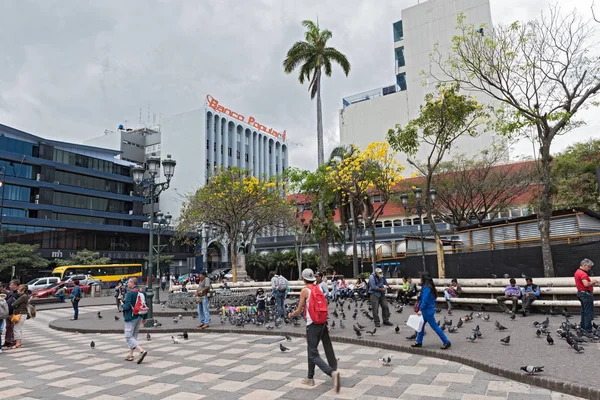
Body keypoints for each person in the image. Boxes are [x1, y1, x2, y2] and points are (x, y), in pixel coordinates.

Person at [287, 268, 340, 392]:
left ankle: (332, 373)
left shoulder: (305, 291)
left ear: (303, 278)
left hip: (312, 325)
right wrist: (326, 323)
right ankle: (310, 378)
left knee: (313, 354)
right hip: (322, 323)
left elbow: (299, 310)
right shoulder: (319, 288)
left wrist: (291, 314)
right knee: (311, 351)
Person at [412, 272, 451, 350]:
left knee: (434, 327)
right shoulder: (430, 287)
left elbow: (425, 300)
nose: (420, 279)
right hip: (429, 309)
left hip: (426, 311)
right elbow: (429, 299)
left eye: (421, 278)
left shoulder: (426, 287)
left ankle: (446, 341)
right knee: (421, 326)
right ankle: (418, 341)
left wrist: (420, 310)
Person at [121, 278, 148, 364]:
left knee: (128, 336)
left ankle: (141, 351)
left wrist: (122, 305)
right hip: (140, 316)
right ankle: (131, 355)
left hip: (131, 317)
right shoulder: (142, 292)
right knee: (134, 336)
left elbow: (127, 307)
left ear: (132, 283)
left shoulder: (130, 293)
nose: (127, 283)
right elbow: (144, 304)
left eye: (128, 282)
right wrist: (145, 317)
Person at [574, 258, 597, 334]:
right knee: (588, 312)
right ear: (584, 265)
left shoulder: (577, 272)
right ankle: (588, 329)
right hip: (586, 294)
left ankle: (583, 328)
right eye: (589, 267)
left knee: (584, 311)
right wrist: (593, 282)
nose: (589, 269)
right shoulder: (583, 274)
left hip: (581, 293)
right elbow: (586, 284)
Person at [10, 284, 29, 350]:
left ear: (23, 290)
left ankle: (17, 343)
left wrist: (15, 304)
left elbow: (13, 304)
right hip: (22, 314)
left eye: (18, 289)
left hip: (20, 314)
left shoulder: (23, 296)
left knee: (16, 329)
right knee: (19, 328)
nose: (17, 290)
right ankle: (19, 342)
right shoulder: (24, 296)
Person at [4, 280, 20, 348]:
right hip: (8, 312)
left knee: (13, 327)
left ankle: (13, 341)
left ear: (15, 285)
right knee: (8, 327)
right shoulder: (11, 293)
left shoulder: (18, 293)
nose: (10, 286)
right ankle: (7, 341)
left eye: (11, 285)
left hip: (14, 313)